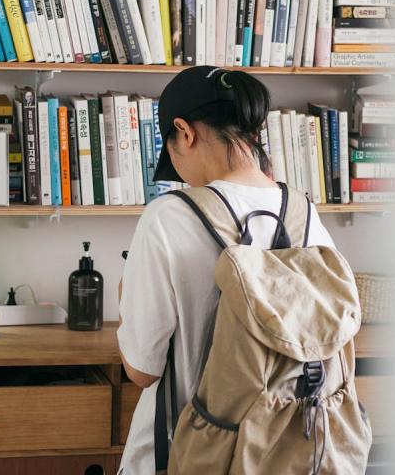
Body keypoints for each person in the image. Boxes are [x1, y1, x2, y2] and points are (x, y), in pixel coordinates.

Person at [117, 66, 339, 474]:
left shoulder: (167, 216)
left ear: (184, 132)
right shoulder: (304, 214)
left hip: (185, 454)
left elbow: (142, 371)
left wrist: (124, 297)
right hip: (277, 453)